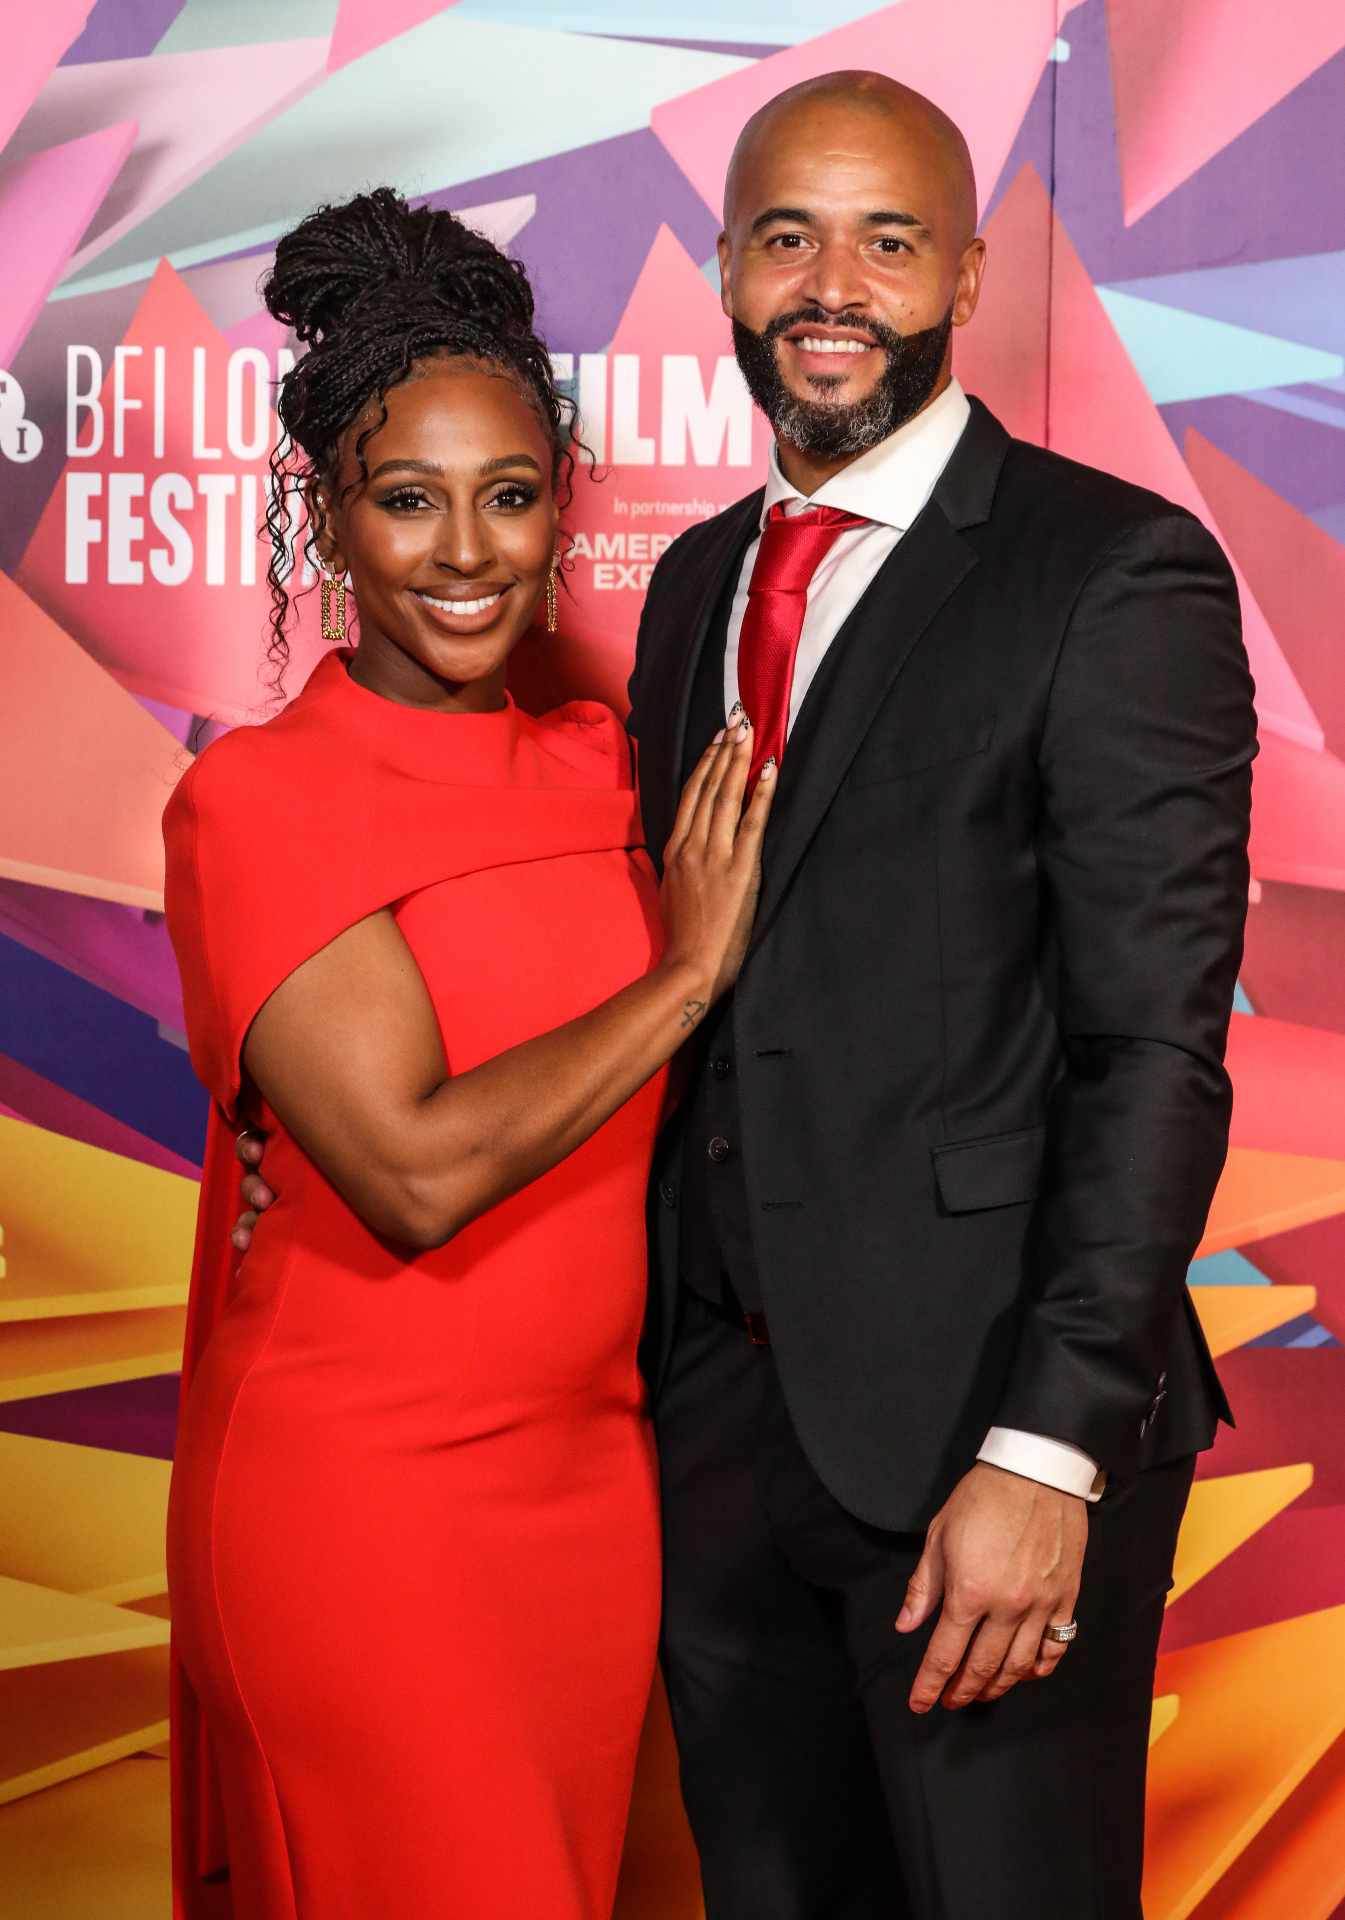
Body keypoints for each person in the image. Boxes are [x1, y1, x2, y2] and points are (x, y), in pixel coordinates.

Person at [236, 74, 1256, 1920]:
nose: (834, 283)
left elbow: (1153, 1057)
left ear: (965, 267)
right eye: (789, 233)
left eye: (888, 238)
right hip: (709, 1455)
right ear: (723, 262)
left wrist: (1048, 1454)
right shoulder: (702, 580)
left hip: (978, 1449)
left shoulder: (1108, 571)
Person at [164, 188, 774, 1920]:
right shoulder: (261, 799)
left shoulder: (610, 769)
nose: (464, 553)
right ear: (328, 519)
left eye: (509, 500)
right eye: (406, 501)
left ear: (559, 512)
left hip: (591, 1497)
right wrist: (684, 977)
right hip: (360, 1518)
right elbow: (416, 1169)